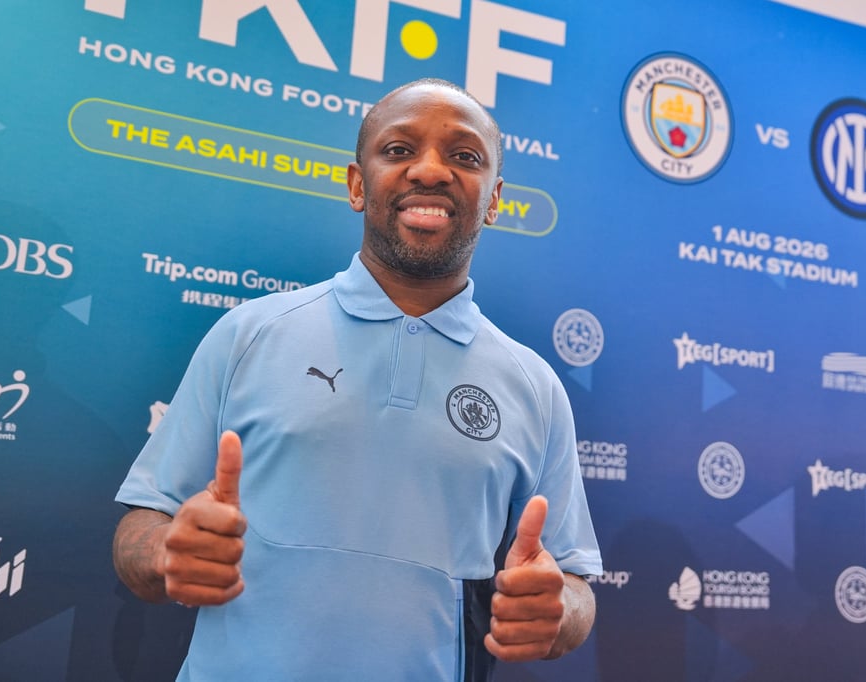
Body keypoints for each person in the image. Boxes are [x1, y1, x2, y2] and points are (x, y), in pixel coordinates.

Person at [113, 77, 602, 681]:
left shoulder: (535, 386)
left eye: (464, 156)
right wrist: (168, 554)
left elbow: (575, 583)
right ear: (355, 183)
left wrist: (557, 611)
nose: (430, 170)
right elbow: (144, 522)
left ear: (495, 199)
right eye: (399, 150)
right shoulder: (248, 334)